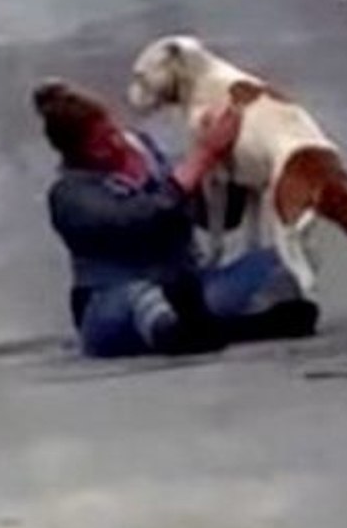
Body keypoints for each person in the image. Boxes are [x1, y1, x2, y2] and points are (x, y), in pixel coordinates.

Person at [33, 80, 318, 358]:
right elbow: (146, 219)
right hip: (115, 299)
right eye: (100, 144)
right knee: (138, 299)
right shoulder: (70, 195)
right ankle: (203, 331)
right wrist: (202, 157)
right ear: (75, 153)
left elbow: (218, 217)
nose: (116, 144)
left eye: (113, 132)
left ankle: (209, 326)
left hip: (188, 287)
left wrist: (232, 168)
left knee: (279, 260)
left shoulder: (144, 152)